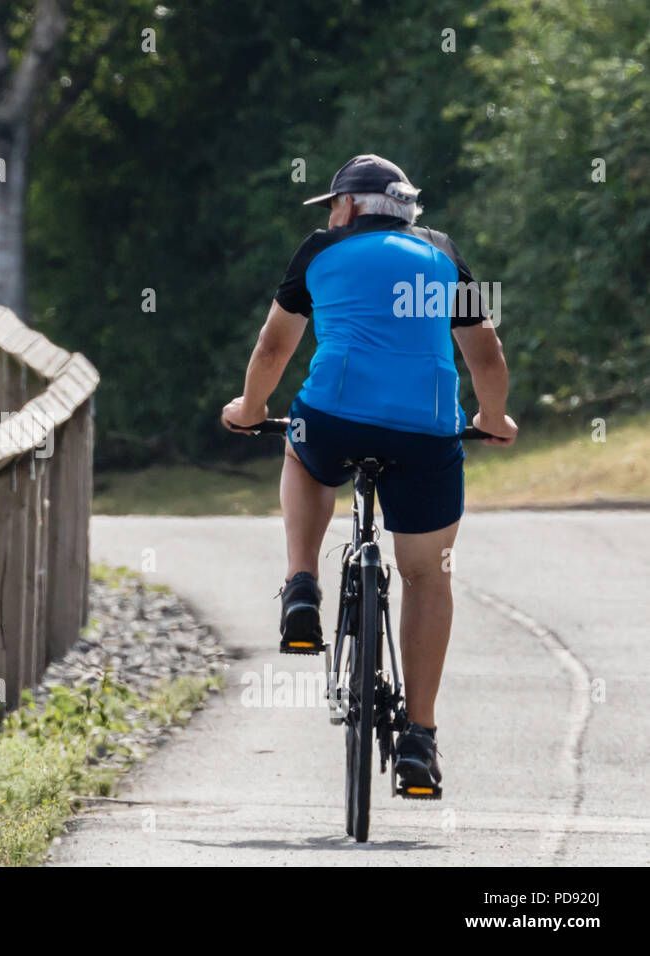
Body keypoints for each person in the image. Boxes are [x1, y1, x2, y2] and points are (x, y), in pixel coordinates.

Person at [220, 154, 518, 796]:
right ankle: (419, 737)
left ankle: (302, 585)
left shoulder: (321, 249)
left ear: (349, 206)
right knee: (426, 578)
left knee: (301, 453)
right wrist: (493, 416)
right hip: (427, 431)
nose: (330, 214)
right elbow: (485, 351)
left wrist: (249, 410)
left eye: (332, 204)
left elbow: (275, 347)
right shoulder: (442, 254)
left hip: (333, 418)